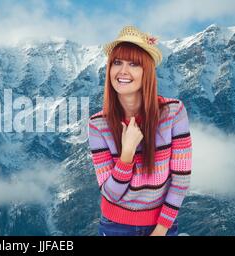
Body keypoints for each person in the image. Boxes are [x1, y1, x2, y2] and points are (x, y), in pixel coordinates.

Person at [88, 25, 192, 236]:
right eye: (117, 62)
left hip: (162, 226)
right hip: (115, 227)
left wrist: (162, 228)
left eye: (134, 64)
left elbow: (180, 179)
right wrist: (126, 156)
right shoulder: (98, 124)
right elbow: (110, 194)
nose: (123, 71)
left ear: (147, 72)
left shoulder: (173, 113)